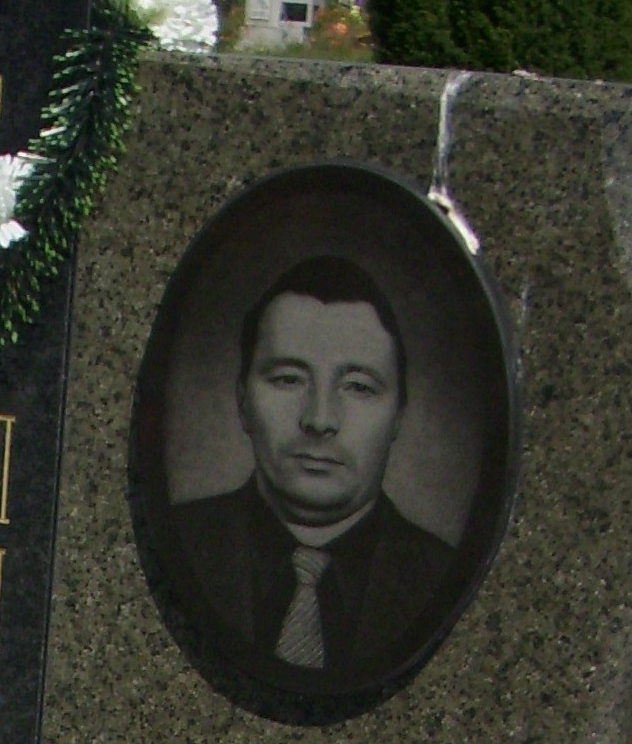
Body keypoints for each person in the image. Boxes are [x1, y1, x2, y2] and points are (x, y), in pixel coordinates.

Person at [161, 255, 460, 688]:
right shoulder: (177, 541)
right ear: (243, 401)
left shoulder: (443, 578)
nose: (319, 420)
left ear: (398, 414)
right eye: (288, 379)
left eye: (358, 387)